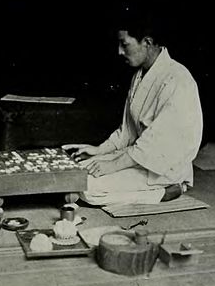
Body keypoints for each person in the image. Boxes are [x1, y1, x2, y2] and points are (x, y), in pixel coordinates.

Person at [63, 14, 203, 206]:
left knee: (86, 188)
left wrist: (112, 165)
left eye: (124, 44)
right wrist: (99, 150)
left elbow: (159, 143)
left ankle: (165, 191)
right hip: (139, 157)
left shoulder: (178, 79)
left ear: (147, 42)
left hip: (163, 167)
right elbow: (127, 130)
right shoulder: (139, 75)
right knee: (73, 174)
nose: (120, 51)